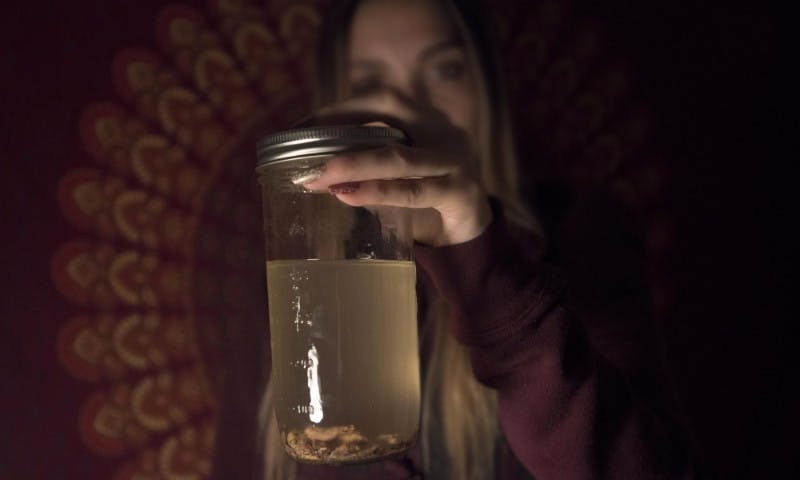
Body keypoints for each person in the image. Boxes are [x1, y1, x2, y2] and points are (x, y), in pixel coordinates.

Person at [257, 0, 692, 478]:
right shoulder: (290, 276)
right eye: (369, 83)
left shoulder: (585, 232)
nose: (405, 106)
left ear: (489, 92)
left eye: (444, 70)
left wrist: (484, 265)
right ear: (338, 103)